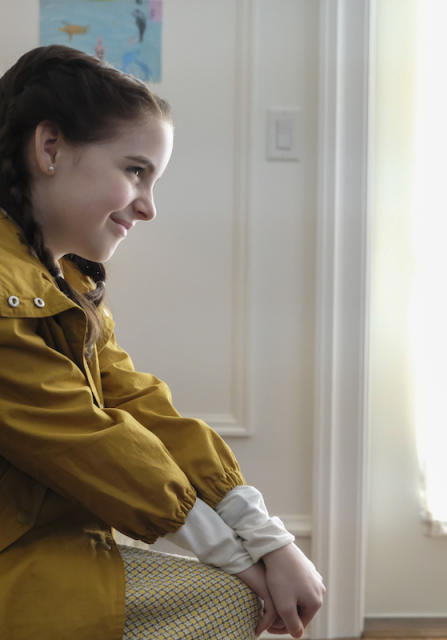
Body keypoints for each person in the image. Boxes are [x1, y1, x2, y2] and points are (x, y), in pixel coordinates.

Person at [0, 45, 325, 639]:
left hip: (48, 543)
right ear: (49, 149)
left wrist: (265, 533)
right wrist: (242, 560)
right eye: (135, 171)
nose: (148, 207)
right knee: (228, 602)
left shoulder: (62, 282)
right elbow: (87, 439)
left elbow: (136, 403)